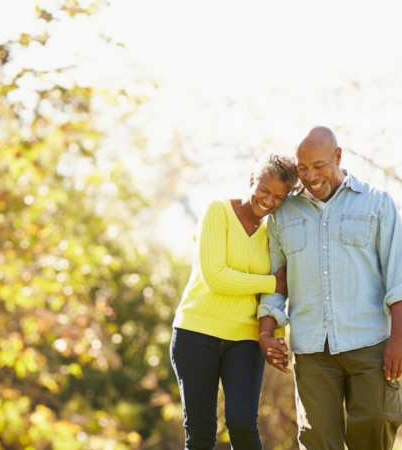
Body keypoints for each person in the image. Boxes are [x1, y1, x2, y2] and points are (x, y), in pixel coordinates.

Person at [258, 126, 402, 450]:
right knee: (318, 440)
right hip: (312, 350)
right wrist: (267, 332)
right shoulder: (283, 214)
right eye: (303, 168)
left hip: (371, 343)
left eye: (319, 165)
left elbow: (398, 276)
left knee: (376, 426)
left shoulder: (377, 204)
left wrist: (399, 338)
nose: (310, 176)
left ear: (338, 157)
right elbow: (274, 281)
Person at [170, 153, 299, 450]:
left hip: (245, 338)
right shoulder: (218, 211)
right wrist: (271, 282)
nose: (269, 200)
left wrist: (276, 336)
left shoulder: (273, 233)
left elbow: (276, 292)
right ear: (252, 180)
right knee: (201, 433)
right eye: (264, 190)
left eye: (279, 197)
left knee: (242, 423)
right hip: (196, 333)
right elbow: (216, 277)